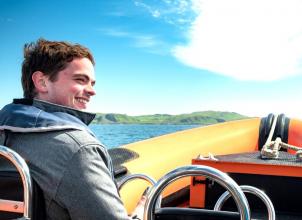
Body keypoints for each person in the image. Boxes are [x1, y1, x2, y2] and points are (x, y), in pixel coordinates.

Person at [0, 39, 145, 219]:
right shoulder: (78, 149)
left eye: (92, 83)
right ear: (42, 82)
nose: (92, 91)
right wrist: (140, 213)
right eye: (80, 80)